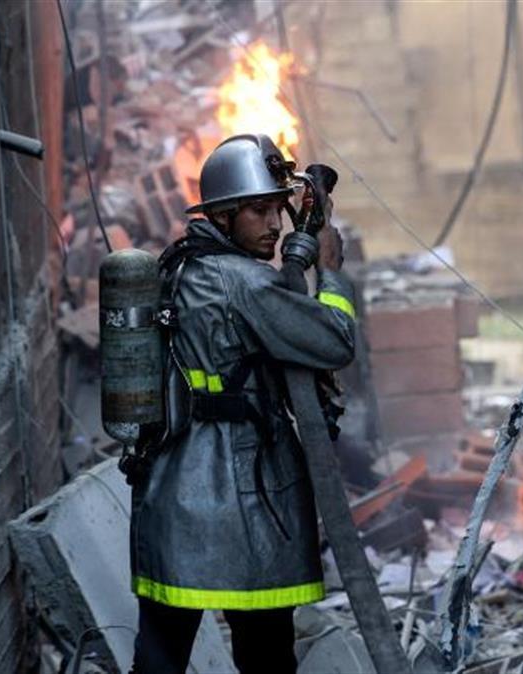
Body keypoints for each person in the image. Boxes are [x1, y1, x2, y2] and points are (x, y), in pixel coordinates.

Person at [128, 134, 356, 673]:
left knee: (160, 653)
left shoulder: (180, 266)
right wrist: (332, 270)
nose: (274, 224)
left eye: (277, 208)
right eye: (257, 211)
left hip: (169, 487)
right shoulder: (246, 283)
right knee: (266, 652)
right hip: (246, 493)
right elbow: (334, 340)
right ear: (223, 217)